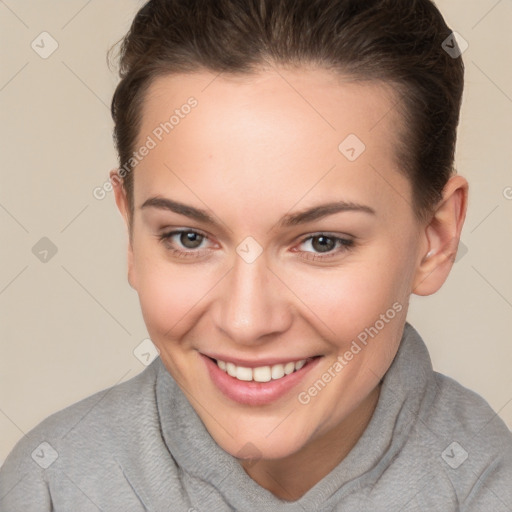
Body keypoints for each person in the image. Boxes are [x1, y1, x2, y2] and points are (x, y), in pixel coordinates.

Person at [1, 0, 511, 510]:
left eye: (321, 242)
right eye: (189, 237)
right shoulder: (49, 486)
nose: (246, 322)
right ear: (130, 231)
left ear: (436, 238)